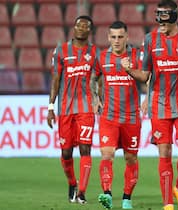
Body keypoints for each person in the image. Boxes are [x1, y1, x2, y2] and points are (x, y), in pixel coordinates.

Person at [124, 1, 178, 209]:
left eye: (164, 22)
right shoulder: (150, 40)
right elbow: (145, 75)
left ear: (174, 19)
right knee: (164, 152)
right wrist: (130, 70)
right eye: (158, 21)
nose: (161, 26)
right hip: (159, 104)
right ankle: (168, 204)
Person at [90, 21, 142, 210]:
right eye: (113, 37)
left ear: (127, 37)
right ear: (108, 37)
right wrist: (95, 98)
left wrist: (147, 99)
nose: (117, 40)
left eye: (120, 37)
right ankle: (107, 194)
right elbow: (93, 78)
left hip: (131, 117)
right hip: (109, 116)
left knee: (131, 158)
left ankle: (127, 198)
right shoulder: (102, 57)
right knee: (107, 154)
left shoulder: (137, 56)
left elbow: (148, 77)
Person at [47, 15, 99, 204]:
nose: (80, 28)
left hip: (85, 108)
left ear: (89, 31)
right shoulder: (61, 51)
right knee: (66, 152)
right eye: (78, 25)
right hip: (65, 109)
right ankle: (72, 183)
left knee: (85, 148)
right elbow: (55, 80)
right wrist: (51, 106)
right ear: (74, 28)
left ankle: (82, 192)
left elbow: (99, 77)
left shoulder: (95, 52)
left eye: (85, 26)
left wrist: (97, 97)